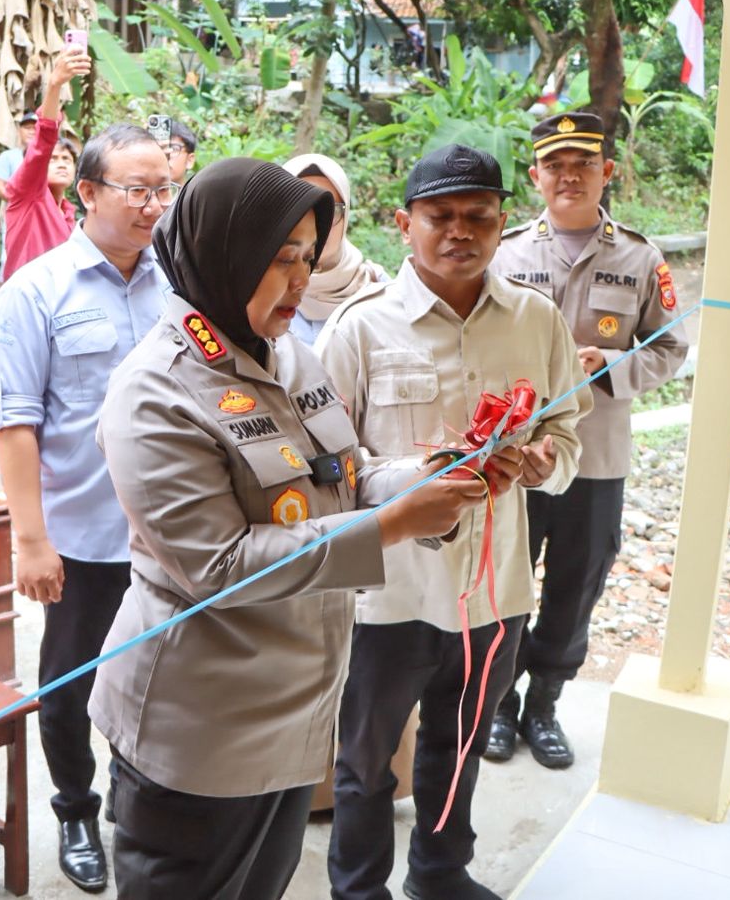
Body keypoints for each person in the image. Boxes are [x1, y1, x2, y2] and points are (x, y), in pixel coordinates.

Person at [89, 158, 490, 900]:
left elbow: (346, 477)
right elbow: (217, 566)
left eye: (308, 256)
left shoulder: (288, 354)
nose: (301, 279)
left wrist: (428, 478)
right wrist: (389, 526)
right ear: (225, 254)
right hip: (201, 730)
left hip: (297, 713)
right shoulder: (155, 392)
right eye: (280, 259)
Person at [316, 143, 590, 900]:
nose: (460, 231)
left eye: (479, 216)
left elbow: (566, 432)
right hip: (388, 594)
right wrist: (417, 479)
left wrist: (541, 463)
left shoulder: (536, 320)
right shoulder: (360, 328)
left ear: (504, 223)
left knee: (460, 743)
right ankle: (358, 889)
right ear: (404, 223)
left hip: (495, 590)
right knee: (365, 760)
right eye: (440, 216)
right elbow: (326, 467)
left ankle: (440, 875)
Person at [0, 122, 172, 892]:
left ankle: (136, 801)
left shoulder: (179, 283)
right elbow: (15, 423)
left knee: (157, 674)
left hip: (169, 533)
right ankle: (74, 811)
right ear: (88, 193)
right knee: (69, 684)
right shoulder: (35, 291)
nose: (153, 205)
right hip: (81, 536)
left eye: (163, 189)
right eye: (137, 190)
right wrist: (31, 541)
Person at [486, 112, 689, 770]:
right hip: (518, 457)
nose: (569, 176)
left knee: (577, 587)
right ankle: (500, 704)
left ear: (608, 172)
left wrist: (612, 365)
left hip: (596, 456)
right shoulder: (506, 254)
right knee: (506, 583)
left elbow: (670, 348)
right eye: (555, 165)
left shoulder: (640, 258)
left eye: (583, 164)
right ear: (536, 176)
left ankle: (544, 705)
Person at [280, 152, 390, 345]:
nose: (316, 225)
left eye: (330, 210)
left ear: (346, 216)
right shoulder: (260, 291)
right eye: (301, 210)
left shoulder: (378, 289)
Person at [1, 49, 90, 281]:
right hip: (26, 298)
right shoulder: (27, 194)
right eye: (54, 159)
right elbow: (44, 141)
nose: (61, 164)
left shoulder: (71, 216)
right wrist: (55, 84)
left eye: (67, 159)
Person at [0, 111, 40, 200]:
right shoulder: (7, 156)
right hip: (16, 205)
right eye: (27, 128)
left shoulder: (49, 157)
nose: (31, 132)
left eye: (35, 128)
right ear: (19, 130)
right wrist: (19, 201)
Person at [163, 119, 197, 185]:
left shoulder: (198, 191)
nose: (165, 154)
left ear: (189, 160)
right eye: (159, 148)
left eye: (174, 148)